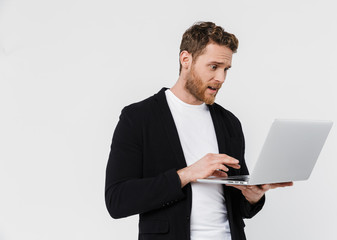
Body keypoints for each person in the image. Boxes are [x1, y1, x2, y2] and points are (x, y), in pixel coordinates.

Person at [105, 21, 292, 240]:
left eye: (226, 69)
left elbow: (239, 208)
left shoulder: (229, 122)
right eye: (213, 67)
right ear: (186, 59)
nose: (221, 78)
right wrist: (187, 174)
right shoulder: (139, 118)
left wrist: (253, 196)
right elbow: (117, 201)